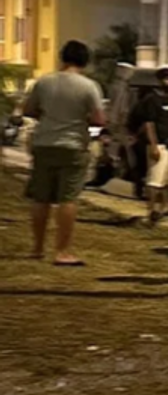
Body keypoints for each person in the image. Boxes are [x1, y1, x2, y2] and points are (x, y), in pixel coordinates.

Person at [24, 40, 105, 265]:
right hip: (73, 145)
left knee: (41, 198)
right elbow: (99, 119)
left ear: (62, 57)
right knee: (67, 199)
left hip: (44, 143)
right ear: (85, 61)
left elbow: (29, 110)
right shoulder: (89, 86)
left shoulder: (44, 82)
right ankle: (62, 251)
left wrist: (48, 117)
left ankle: (37, 248)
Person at [138, 67, 168, 226]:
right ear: (159, 81)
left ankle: (165, 206)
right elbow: (149, 123)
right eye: (167, 79)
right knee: (155, 180)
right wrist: (153, 145)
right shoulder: (152, 99)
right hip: (160, 144)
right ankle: (151, 211)